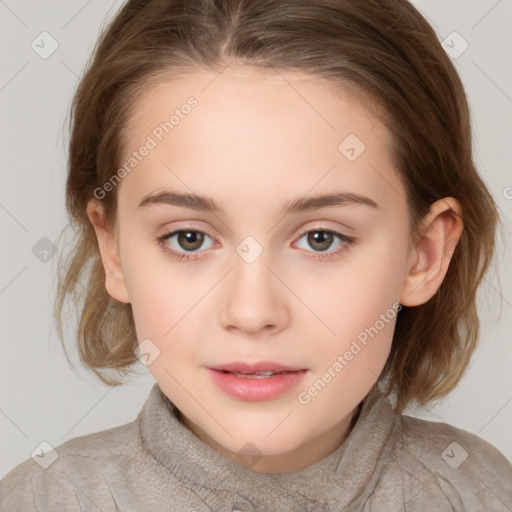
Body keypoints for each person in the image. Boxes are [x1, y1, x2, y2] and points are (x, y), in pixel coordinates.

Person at [1, 0, 511, 510]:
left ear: (423, 254)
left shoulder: (484, 493)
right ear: (112, 249)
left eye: (320, 239)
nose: (251, 312)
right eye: (189, 238)